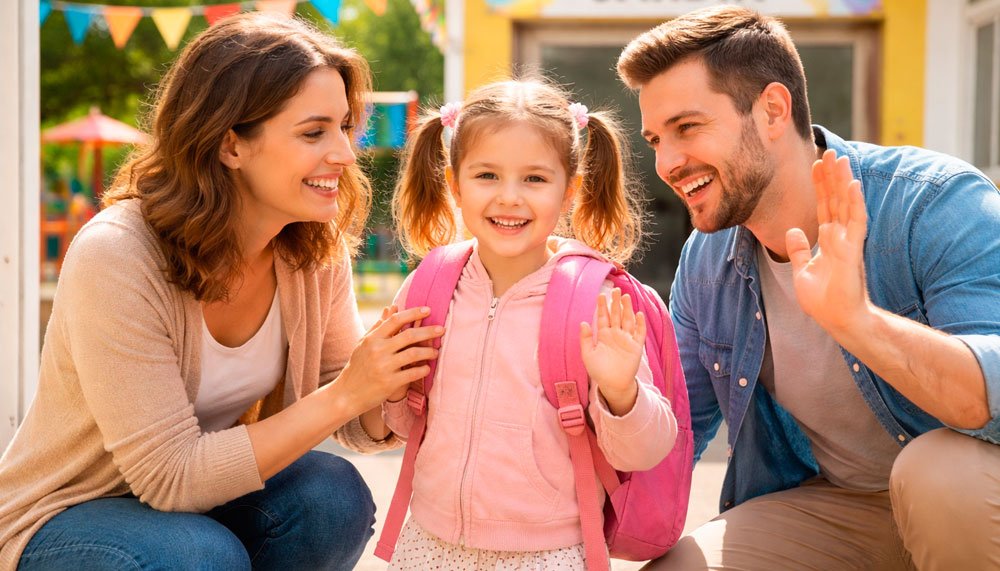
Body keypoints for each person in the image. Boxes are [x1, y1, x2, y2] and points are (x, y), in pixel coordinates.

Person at [0, 13, 443, 571]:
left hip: (196, 508)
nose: (345, 154)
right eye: (313, 132)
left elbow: (348, 410)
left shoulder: (309, 247)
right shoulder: (117, 254)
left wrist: (397, 374)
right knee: (197, 556)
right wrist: (347, 393)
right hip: (70, 517)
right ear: (231, 145)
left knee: (331, 496)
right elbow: (172, 475)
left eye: (344, 127)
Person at [615, 5, 1000, 569]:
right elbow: (671, 439)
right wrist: (604, 394)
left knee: (938, 476)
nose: (667, 163)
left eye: (687, 128)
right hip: (843, 508)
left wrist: (856, 322)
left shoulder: (932, 202)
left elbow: (989, 395)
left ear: (772, 110)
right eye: (655, 139)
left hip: (970, 492)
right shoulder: (707, 260)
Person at [377, 79, 680, 569]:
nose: (509, 198)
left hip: (549, 553)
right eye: (487, 176)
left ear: (570, 192)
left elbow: (643, 453)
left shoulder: (595, 303)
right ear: (454, 185)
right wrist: (389, 387)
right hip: (428, 542)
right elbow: (406, 423)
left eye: (535, 179)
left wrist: (622, 393)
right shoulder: (426, 287)